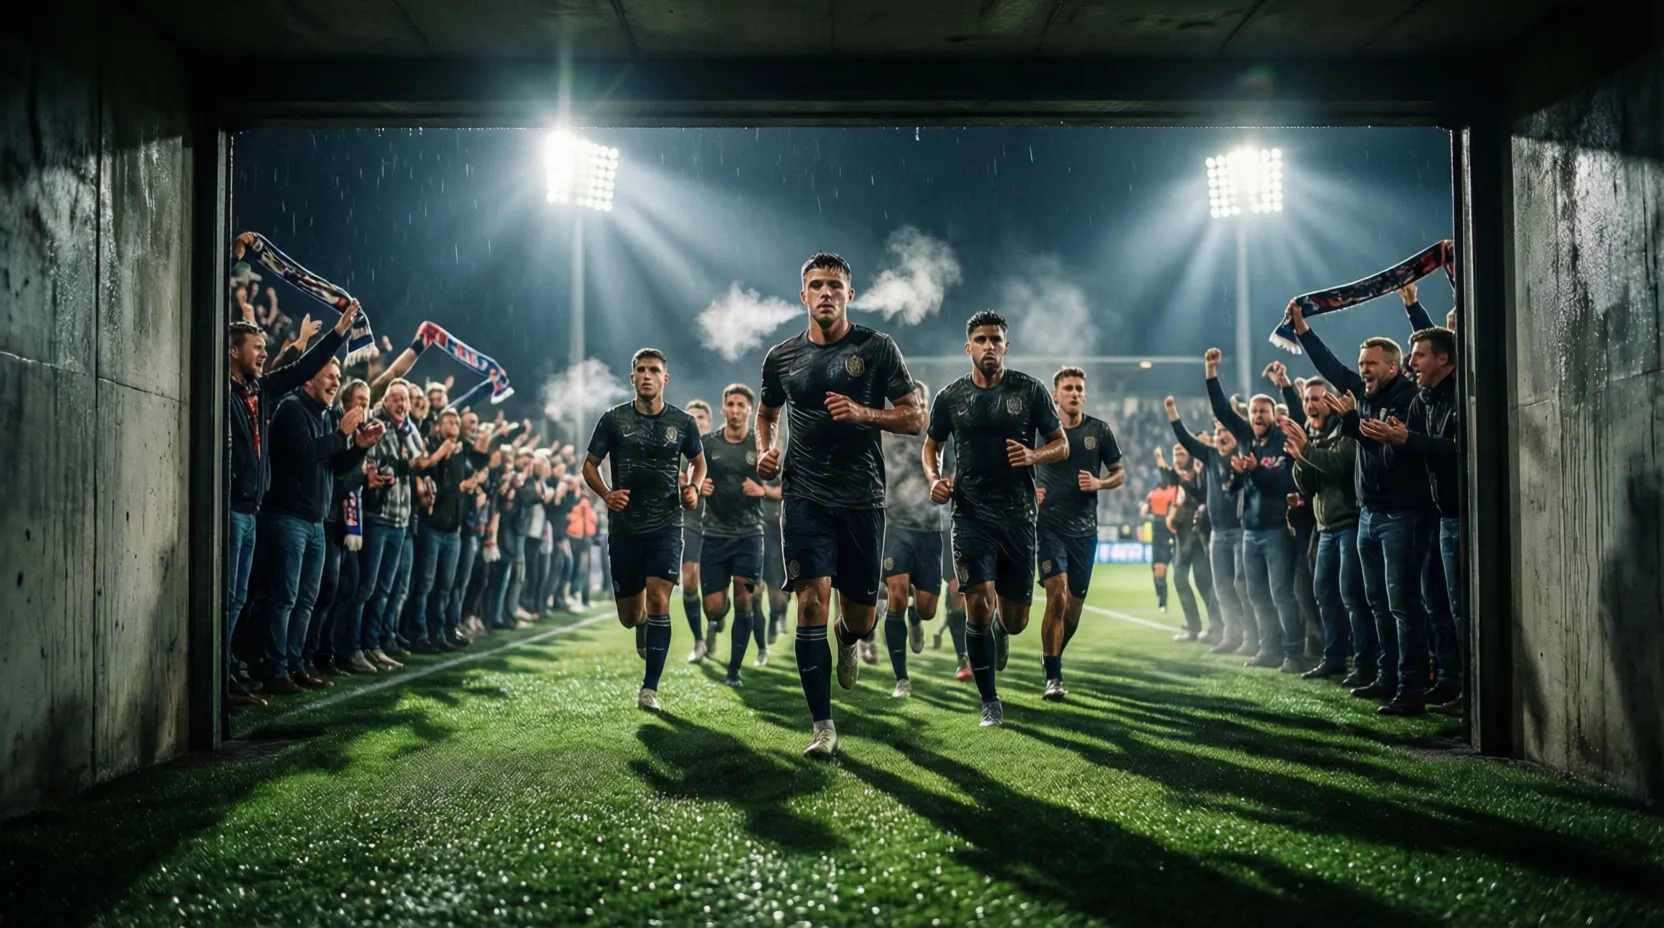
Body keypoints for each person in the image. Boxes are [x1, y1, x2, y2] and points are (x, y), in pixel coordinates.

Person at [756, 252, 922, 758]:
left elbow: (914, 417)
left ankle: (849, 638)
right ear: (802, 295)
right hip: (804, 496)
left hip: (862, 498)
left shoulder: (876, 348)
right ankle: (823, 727)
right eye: (816, 285)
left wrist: (863, 413)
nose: (825, 292)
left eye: (834, 285)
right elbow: (767, 414)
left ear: (850, 294)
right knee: (810, 601)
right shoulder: (781, 357)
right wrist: (766, 449)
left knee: (861, 619)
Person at [1287, 292, 1441, 715]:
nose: (1363, 370)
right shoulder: (1361, 393)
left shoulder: (1407, 399)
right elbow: (1330, 367)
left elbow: (1392, 454)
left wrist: (1354, 422)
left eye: (1371, 364)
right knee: (1377, 603)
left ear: (1393, 366)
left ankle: (1411, 686)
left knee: (1403, 606)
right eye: (1361, 364)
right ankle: (1386, 676)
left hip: (1402, 514)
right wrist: (1302, 330)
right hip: (1370, 515)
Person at [924, 311, 1068, 727]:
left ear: (1007, 346)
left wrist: (1033, 455)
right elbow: (931, 445)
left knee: (1016, 620)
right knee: (978, 604)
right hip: (970, 516)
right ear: (968, 347)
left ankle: (1003, 632)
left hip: (1018, 518)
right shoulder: (950, 397)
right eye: (981, 340)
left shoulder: (1030, 390)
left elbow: (1060, 445)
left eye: (996, 339)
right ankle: (989, 701)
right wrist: (934, 478)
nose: (989, 346)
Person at [225, 302, 359, 707]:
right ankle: (245, 673)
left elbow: (302, 368)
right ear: (233, 351)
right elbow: (302, 453)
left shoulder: (259, 391)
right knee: (242, 600)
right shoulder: (227, 392)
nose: (263, 353)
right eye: (256, 347)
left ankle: (260, 669)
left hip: (255, 510)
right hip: (246, 510)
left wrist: (337, 334)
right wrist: (341, 436)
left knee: (245, 599)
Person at [584, 348, 705, 712]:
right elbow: (590, 465)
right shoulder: (613, 419)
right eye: (641, 370)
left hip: (666, 524)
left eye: (654, 370)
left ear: (665, 379)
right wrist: (607, 493)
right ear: (632, 378)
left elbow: (698, 462)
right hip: (625, 528)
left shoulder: (683, 422)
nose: (647, 375)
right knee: (628, 616)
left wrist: (693, 487)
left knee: (658, 600)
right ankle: (640, 623)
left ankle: (649, 689)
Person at [258, 358, 382, 694]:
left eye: (338, 377)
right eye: (329, 376)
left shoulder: (326, 415)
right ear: (309, 379)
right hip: (288, 517)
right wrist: (342, 434)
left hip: (315, 522)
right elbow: (302, 454)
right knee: (284, 598)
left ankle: (296, 665)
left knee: (306, 601)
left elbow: (334, 466)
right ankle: (274, 669)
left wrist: (359, 448)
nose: (335, 382)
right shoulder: (291, 409)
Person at [1380, 323, 1464, 716]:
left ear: (1444, 359)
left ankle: (1469, 692)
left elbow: (1459, 450)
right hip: (1439, 516)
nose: (1411, 362)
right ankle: (1449, 681)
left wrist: (1407, 440)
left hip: (1463, 517)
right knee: (1437, 603)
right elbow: (1413, 457)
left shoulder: (1462, 394)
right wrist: (1393, 441)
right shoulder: (1422, 401)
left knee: (1460, 607)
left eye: (1419, 355)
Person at [1205, 348, 1305, 674]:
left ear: (1274, 416)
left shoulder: (1282, 440)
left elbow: (1280, 483)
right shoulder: (1246, 436)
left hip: (1277, 529)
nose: (1258, 415)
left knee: (1281, 594)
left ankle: (1294, 653)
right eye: (1254, 411)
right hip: (1250, 530)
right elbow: (1222, 410)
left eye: (1264, 411)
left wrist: (1285, 386)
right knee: (1257, 594)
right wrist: (1211, 372)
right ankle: (1269, 649)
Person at [1033, 366, 1124, 700]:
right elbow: (1018, 464)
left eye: (1079, 389)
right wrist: (1030, 489)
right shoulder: (1040, 431)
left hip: (1085, 531)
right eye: (1068, 388)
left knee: (1072, 611)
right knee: (1057, 594)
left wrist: (1100, 482)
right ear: (1055, 395)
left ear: (1084, 396)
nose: (1074, 393)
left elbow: (1119, 473)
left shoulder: (1099, 431)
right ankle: (1054, 677)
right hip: (1048, 527)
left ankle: (1051, 653)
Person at [1281, 378, 1374, 684]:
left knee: (1352, 596)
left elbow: (1338, 465)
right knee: (1324, 594)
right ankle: (1333, 659)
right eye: (1307, 399)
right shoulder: (1314, 436)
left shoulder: (1344, 431)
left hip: (1349, 524)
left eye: (1317, 398)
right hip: (1324, 528)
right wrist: (1300, 459)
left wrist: (1306, 450)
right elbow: (1308, 485)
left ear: (1331, 403)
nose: (1310, 405)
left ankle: (1363, 663)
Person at [1165, 397, 1255, 656]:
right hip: (1216, 533)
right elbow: (1186, 440)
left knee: (1243, 587)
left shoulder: (1245, 456)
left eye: (1226, 430)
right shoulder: (1211, 455)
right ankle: (1231, 635)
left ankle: (1252, 637)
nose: (1221, 435)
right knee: (1223, 587)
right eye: (1218, 431)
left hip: (1241, 530)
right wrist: (1173, 414)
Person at [348, 380, 423, 672]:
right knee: (366, 586)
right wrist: (390, 467)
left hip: (400, 520)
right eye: (396, 399)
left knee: (385, 588)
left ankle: (374, 645)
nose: (402, 405)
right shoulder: (377, 424)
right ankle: (353, 647)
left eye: (405, 400)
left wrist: (407, 431)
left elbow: (418, 457)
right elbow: (369, 463)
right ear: (385, 401)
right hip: (378, 517)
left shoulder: (407, 429)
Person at [698, 385, 769, 686]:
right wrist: (697, 486)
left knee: (745, 599)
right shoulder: (707, 444)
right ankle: (717, 619)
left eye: (741, 405)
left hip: (749, 535)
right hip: (714, 534)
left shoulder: (760, 445)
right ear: (723, 408)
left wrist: (763, 491)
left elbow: (787, 485)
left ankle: (734, 669)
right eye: (731, 404)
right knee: (713, 609)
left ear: (750, 410)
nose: (736, 410)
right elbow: (685, 476)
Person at [879, 381, 946, 698]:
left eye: (918, 402)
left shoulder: (937, 435)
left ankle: (917, 617)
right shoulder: (885, 434)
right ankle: (901, 679)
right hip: (895, 525)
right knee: (896, 593)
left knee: (927, 608)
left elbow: (953, 468)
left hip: (929, 526)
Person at [1155, 444, 1217, 643]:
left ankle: (1214, 626)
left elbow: (1196, 494)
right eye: (1175, 453)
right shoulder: (1179, 475)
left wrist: (1164, 465)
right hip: (1184, 535)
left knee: (1199, 580)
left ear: (1190, 455)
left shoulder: (1196, 472)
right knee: (1186, 578)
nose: (1177, 455)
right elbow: (1168, 482)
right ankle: (1197, 626)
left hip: (1195, 533)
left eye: (1181, 452)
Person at [681, 399, 713, 661]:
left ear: (709, 423)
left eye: (700, 417)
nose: (695, 421)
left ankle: (716, 620)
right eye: (690, 417)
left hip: (719, 525)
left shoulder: (720, 447)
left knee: (715, 591)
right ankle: (698, 641)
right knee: (690, 582)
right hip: (689, 523)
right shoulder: (677, 452)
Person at [1141, 480, 1178, 611]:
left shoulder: (1153, 493)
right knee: (1161, 568)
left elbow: (1143, 512)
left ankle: (1162, 601)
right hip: (1168, 533)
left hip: (1160, 533)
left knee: (1159, 569)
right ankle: (1162, 600)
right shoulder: (1174, 490)